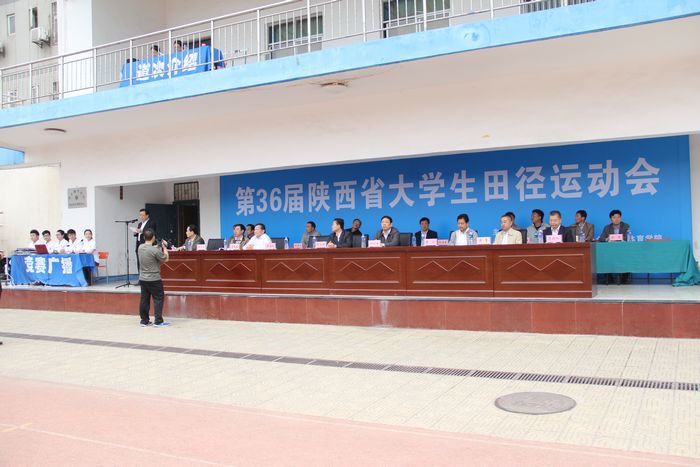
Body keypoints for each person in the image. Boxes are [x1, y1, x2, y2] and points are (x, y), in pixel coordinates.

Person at [137, 229, 170, 327]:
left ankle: (144, 321)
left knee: (144, 300)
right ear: (153, 237)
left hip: (143, 278)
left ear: (144, 237)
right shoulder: (155, 250)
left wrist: (158, 246)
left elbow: (150, 249)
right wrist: (164, 247)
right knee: (158, 299)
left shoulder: (140, 247)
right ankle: (158, 321)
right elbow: (166, 258)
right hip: (154, 279)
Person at [599, 209, 632, 285]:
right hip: (610, 251)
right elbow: (601, 238)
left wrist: (618, 239)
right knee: (602, 257)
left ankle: (624, 278)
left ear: (620, 218)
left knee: (629, 257)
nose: (616, 219)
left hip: (623, 251)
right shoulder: (607, 227)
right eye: (614, 217)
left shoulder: (626, 226)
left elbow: (627, 238)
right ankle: (608, 278)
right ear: (611, 219)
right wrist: (608, 239)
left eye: (618, 217)